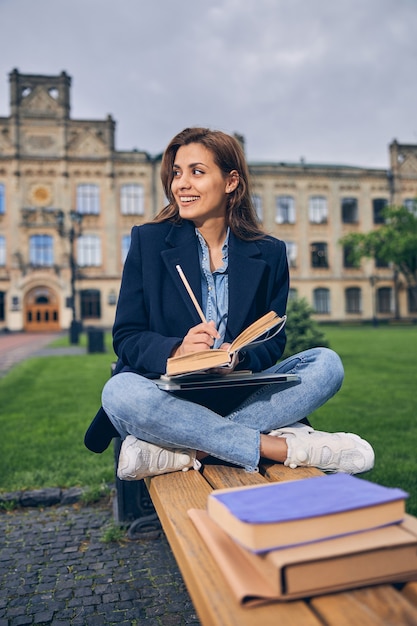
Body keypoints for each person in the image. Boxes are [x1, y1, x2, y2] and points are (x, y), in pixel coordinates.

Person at [94, 127, 374, 480]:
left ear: (231, 182)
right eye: (176, 173)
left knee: (326, 364)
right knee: (119, 392)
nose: (181, 184)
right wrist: (178, 350)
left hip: (237, 393)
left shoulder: (269, 252)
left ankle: (186, 450)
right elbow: (127, 336)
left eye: (197, 172)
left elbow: (272, 341)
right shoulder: (148, 242)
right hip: (167, 396)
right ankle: (282, 447)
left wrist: (239, 356)